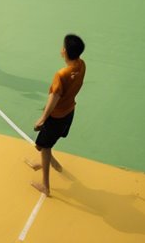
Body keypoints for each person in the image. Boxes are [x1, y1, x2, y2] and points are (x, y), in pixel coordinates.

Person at [27, 34, 86, 196]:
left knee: (44, 148)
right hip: (69, 112)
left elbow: (54, 98)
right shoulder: (82, 65)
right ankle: (50, 163)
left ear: (65, 52)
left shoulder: (61, 74)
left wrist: (43, 118)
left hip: (56, 117)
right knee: (44, 144)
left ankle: (45, 186)